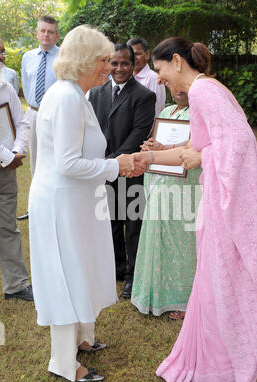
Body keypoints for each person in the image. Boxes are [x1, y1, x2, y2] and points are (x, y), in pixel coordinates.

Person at [134, 37, 257, 382]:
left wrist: (204, 159)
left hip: (227, 202)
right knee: (212, 277)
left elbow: (239, 145)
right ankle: (218, 358)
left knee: (223, 277)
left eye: (161, 70)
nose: (161, 79)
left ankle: (228, 363)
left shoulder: (202, 92)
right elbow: (198, 149)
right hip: (215, 199)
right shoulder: (205, 90)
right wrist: (149, 158)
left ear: (177, 61)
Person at [28, 25, 145, 382]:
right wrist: (117, 165)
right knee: (64, 275)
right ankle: (62, 362)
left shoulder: (74, 94)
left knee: (78, 268)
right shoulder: (65, 97)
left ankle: (81, 338)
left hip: (72, 201)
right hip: (61, 204)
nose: (109, 67)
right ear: (82, 61)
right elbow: (66, 162)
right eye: (102, 60)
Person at [89, 43, 156, 299]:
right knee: (110, 221)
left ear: (133, 65)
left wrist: (113, 162)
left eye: (124, 63)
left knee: (132, 223)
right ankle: (116, 268)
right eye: (114, 63)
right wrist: (101, 164)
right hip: (103, 168)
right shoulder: (96, 93)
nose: (118, 68)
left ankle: (133, 274)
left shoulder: (144, 96)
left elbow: (138, 135)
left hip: (129, 169)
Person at [131, 90, 202, 319]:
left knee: (182, 241)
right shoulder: (166, 111)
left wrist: (163, 151)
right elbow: (156, 143)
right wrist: (149, 147)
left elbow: (197, 148)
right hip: (160, 178)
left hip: (186, 185)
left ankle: (183, 299)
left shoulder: (202, 114)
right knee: (157, 233)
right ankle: (154, 293)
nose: (177, 89)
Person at [19, 16, 60, 221]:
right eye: (42, 31)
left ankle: (55, 207)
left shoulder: (63, 57)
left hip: (56, 116)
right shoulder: (28, 57)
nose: (46, 35)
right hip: (34, 113)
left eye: (50, 31)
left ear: (57, 35)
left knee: (56, 159)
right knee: (35, 160)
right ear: (37, 33)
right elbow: (26, 86)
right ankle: (35, 208)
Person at [0, 67, 33, 302]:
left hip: (5, 173)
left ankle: (16, 284)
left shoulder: (6, 88)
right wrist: (7, 157)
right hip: (6, 162)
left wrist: (17, 150)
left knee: (6, 226)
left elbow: (22, 124)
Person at [127, 37, 166, 118]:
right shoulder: (127, 78)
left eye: (137, 54)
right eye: (131, 55)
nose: (134, 58)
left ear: (147, 54)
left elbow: (154, 112)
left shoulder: (153, 79)